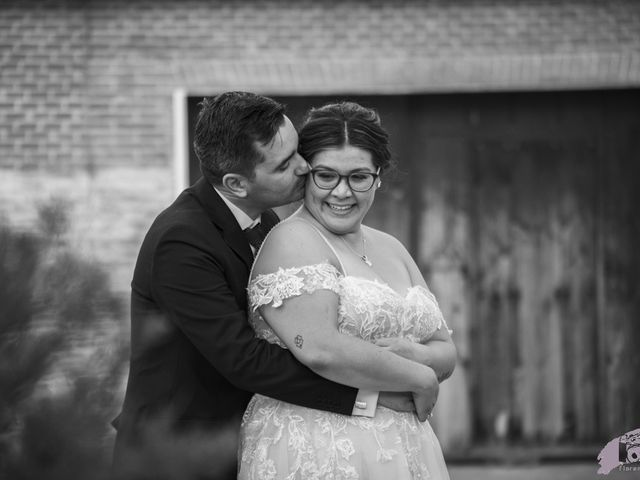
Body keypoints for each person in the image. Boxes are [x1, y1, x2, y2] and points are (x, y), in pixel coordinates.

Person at [111, 92, 449, 480]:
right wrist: (370, 397)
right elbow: (245, 359)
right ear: (237, 183)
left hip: (239, 443)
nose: (305, 166)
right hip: (176, 454)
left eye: (298, 151)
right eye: (287, 164)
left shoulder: (267, 224)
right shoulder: (182, 240)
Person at [239, 101, 456, 479]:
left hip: (405, 445)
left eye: (359, 177)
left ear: (378, 177)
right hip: (322, 445)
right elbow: (322, 351)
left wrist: (414, 353)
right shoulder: (293, 240)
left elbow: (446, 351)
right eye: (326, 176)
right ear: (305, 172)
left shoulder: (391, 247)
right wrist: (418, 375)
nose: (342, 192)